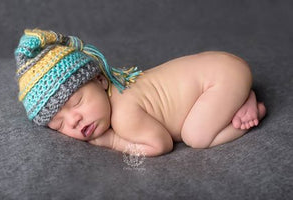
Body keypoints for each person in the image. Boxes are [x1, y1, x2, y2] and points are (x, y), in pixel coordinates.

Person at [15, 28, 266, 157]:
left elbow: (159, 145)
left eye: (77, 101)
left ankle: (248, 109)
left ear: (101, 79)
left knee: (196, 137)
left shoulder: (124, 114)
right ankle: (236, 97)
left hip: (220, 79)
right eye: (58, 123)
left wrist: (112, 141)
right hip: (219, 67)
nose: (73, 121)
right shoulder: (120, 84)